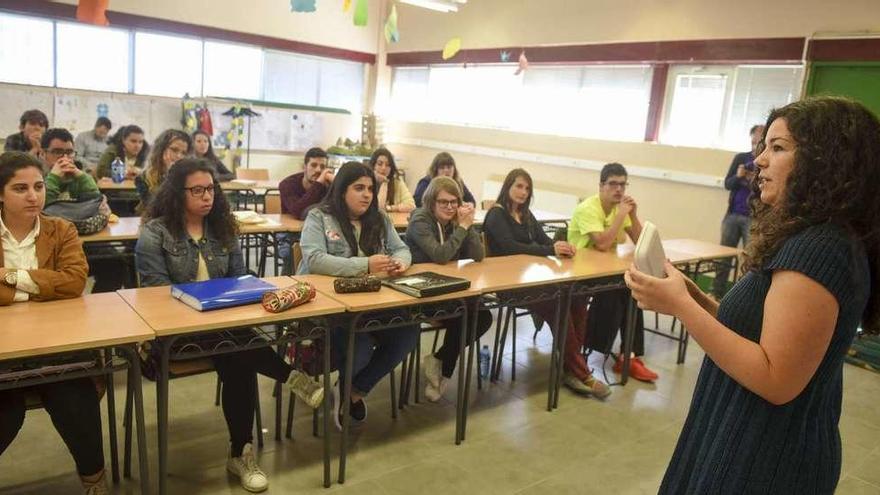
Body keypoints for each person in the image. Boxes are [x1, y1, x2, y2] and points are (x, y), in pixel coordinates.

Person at [629, 97, 879, 493]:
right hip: (751, 443)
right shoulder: (816, 238)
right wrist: (693, 299)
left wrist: (678, 306)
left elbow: (775, 377)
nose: (759, 160)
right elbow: (761, 335)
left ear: (826, 161)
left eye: (777, 148)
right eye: (763, 146)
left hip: (764, 460)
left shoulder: (819, 248)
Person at [135, 158, 322, 493]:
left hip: (225, 329)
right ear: (177, 194)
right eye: (197, 190)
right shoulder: (155, 233)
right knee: (241, 349)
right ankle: (289, 378)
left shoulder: (222, 227)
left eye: (211, 189)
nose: (207, 196)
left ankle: (242, 452)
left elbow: (240, 281)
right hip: (175, 336)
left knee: (238, 355)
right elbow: (156, 300)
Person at [0, 151, 108, 494]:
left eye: (39, 186)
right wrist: (43, 287)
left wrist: (11, 277)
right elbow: (60, 284)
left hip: (55, 346)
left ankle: (94, 479)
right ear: (0, 193)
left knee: (74, 397)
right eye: (20, 188)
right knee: (6, 412)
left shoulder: (61, 229)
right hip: (5, 353)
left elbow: (75, 281)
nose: (33, 196)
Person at [297, 161, 418, 428]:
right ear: (342, 191)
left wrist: (400, 263)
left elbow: (402, 249)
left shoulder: (379, 218)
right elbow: (315, 260)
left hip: (372, 304)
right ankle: (349, 387)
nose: (367, 194)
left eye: (371, 189)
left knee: (408, 332)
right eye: (359, 188)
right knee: (360, 348)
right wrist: (365, 265)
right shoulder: (319, 217)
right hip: (331, 309)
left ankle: (352, 391)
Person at [484, 168, 611, 398]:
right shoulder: (496, 215)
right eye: (518, 186)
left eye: (527, 188)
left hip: (532, 282)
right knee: (557, 303)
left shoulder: (526, 215)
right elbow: (510, 248)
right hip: (509, 286)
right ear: (508, 187)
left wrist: (562, 247)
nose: (523, 192)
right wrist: (548, 250)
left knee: (578, 296)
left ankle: (570, 368)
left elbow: (544, 240)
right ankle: (580, 372)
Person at [568, 162, 658, 383]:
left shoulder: (621, 209)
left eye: (623, 185)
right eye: (613, 184)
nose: (619, 190)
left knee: (632, 290)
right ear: (601, 186)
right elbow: (602, 243)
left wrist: (633, 215)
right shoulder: (588, 208)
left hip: (604, 270)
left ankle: (629, 356)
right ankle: (599, 348)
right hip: (577, 273)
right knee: (619, 293)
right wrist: (620, 216)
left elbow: (640, 241)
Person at [405, 176, 492, 401]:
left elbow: (478, 255)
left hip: (450, 289)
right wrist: (462, 227)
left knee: (483, 316)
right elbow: (441, 256)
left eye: (454, 202)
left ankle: (440, 361)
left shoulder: (454, 221)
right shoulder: (420, 220)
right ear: (432, 202)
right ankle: (443, 370)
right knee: (466, 313)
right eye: (444, 202)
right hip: (420, 294)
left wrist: (467, 225)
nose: (450, 207)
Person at [713, 124, 765, 299]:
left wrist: (753, 178)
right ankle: (716, 293)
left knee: (750, 260)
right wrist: (740, 176)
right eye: (753, 140)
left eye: (758, 141)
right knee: (723, 257)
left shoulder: (765, 162)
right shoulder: (741, 158)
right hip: (733, 215)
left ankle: (741, 299)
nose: (754, 144)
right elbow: (728, 184)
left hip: (753, 218)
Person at [135, 129, 191, 211]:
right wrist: (170, 175)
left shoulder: (190, 177)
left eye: (184, 153)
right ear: (161, 150)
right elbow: (156, 208)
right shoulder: (143, 178)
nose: (179, 156)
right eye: (174, 150)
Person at [42, 128, 100, 204]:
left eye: (69, 152)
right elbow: (42, 205)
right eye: (57, 152)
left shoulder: (78, 178)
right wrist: (54, 177)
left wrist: (82, 176)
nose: (65, 158)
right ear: (42, 154)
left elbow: (95, 201)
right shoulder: (36, 176)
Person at [278, 147, 332, 220]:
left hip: (318, 228)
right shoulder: (287, 184)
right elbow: (298, 212)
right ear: (304, 167)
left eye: (322, 167)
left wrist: (336, 182)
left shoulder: (327, 185)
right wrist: (318, 183)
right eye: (314, 165)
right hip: (292, 229)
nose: (318, 170)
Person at [370, 148, 414, 213]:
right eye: (380, 164)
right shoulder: (367, 182)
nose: (383, 168)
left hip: (392, 221)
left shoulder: (397, 182)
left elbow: (411, 206)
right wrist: (384, 182)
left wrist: (390, 208)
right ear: (373, 165)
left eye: (388, 165)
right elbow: (379, 209)